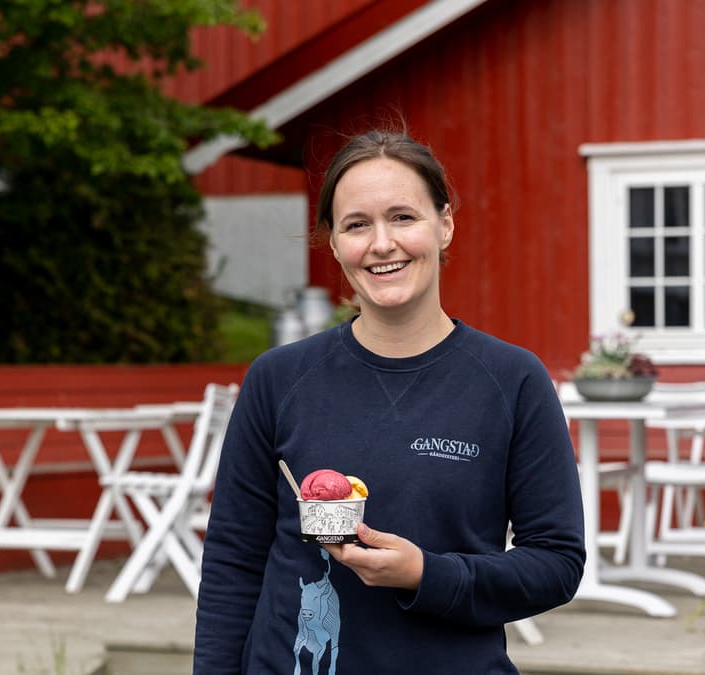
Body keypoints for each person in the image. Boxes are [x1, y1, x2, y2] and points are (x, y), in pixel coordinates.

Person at [193, 129, 586, 674]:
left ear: (444, 224)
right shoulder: (278, 380)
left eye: (403, 217)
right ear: (333, 243)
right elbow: (232, 563)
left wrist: (425, 574)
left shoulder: (512, 380)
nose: (381, 244)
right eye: (357, 225)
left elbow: (556, 565)